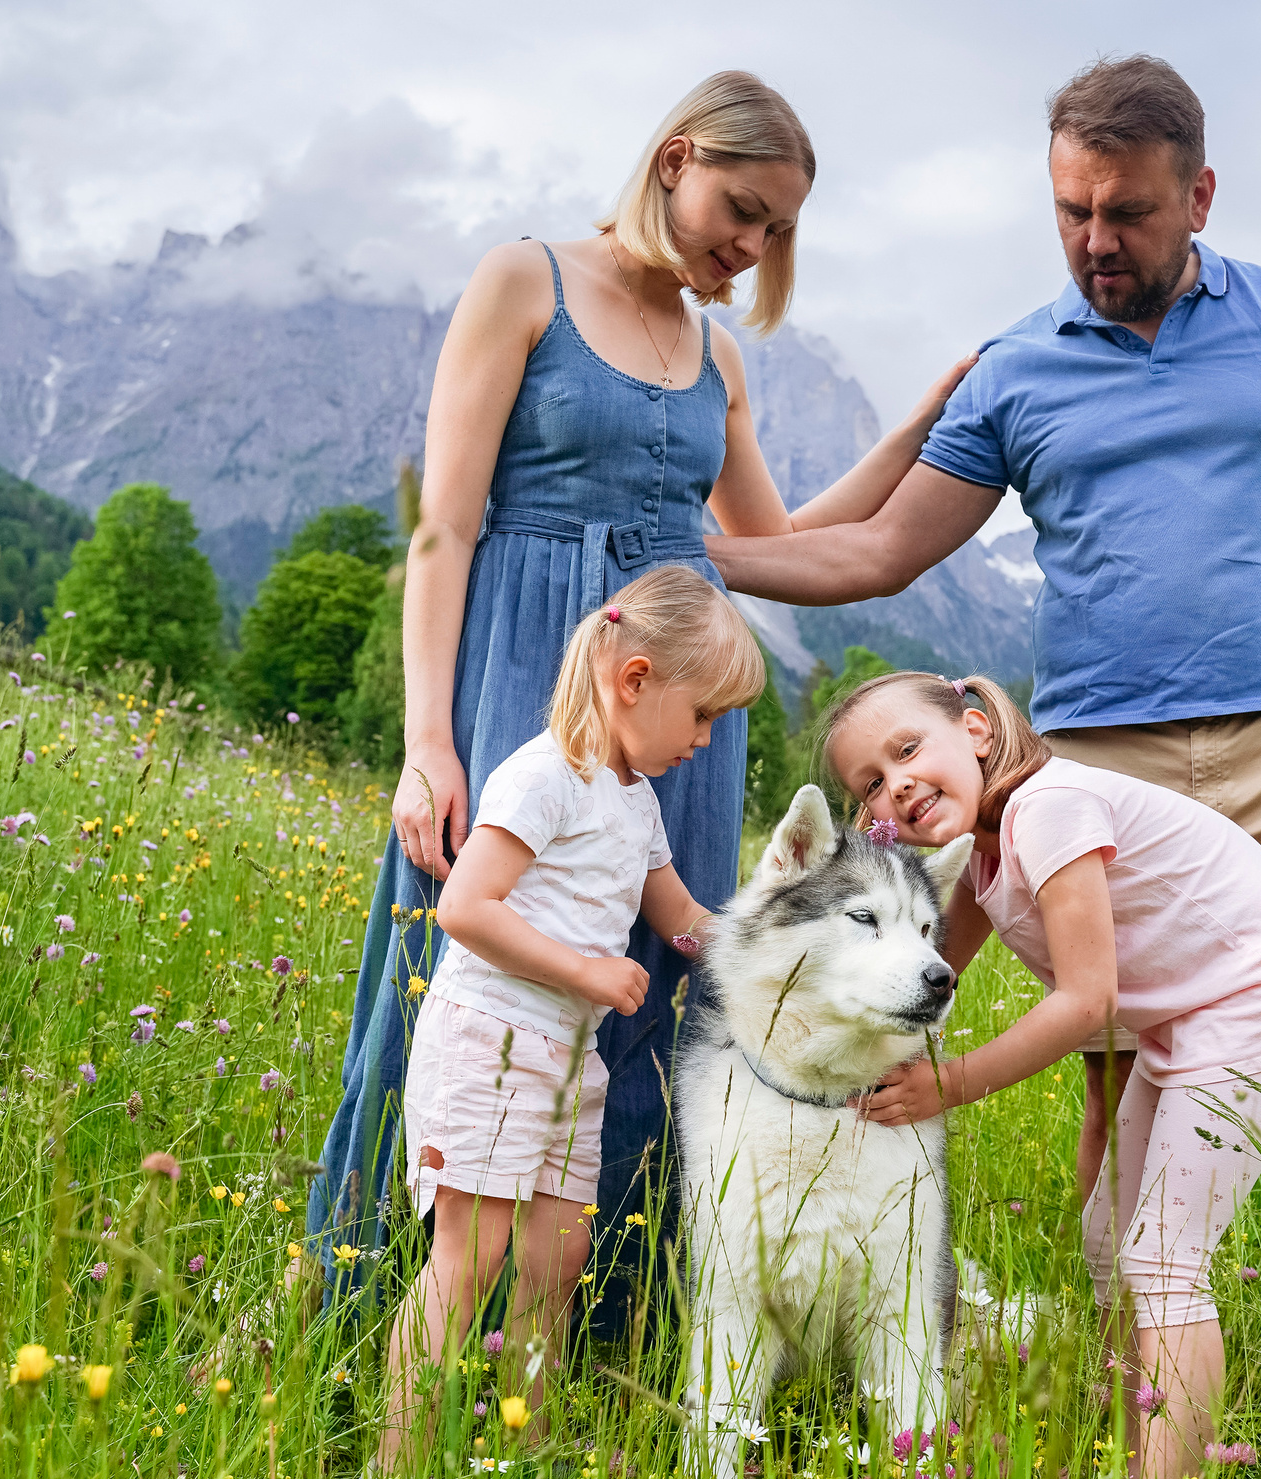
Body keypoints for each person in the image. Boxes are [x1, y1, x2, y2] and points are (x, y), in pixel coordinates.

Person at [710, 54, 1261, 1386]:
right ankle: (1143, 1361)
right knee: (1124, 1072)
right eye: (1070, 211)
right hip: (1103, 761)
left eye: (1125, 213)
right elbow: (880, 549)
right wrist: (699, 556)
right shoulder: (1018, 367)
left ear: (1201, 196)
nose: (1094, 242)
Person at [306, 69, 975, 1335]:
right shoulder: (526, 283)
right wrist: (426, 745)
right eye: (742, 205)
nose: (753, 244)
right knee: (461, 966)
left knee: (651, 996)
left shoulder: (716, 356)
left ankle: (596, 1325)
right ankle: (377, 1312)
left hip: (681, 722)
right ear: (674, 159)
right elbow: (443, 532)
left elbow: (781, 541)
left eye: (778, 228)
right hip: (527, 674)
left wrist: (926, 426)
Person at [824, 670, 1261, 1479]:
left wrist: (949, 1085)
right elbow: (929, 980)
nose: (894, 783)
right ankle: (1130, 1439)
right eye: (871, 785)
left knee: (1165, 1259)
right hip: (1196, 1015)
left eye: (905, 750)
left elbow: (1087, 1001)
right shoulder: (985, 856)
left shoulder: (1051, 806)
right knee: (1111, 1240)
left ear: (975, 727)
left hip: (1260, 996)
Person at [372, 568, 760, 1477]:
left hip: (567, 1061)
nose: (705, 741)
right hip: (491, 1041)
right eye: (701, 715)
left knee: (560, 1259)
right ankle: (394, 1473)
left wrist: (775, 949)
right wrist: (586, 968)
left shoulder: (636, 802)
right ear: (632, 680)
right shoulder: (547, 774)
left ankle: (524, 1446)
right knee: (469, 1261)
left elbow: (682, 919)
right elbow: (466, 906)